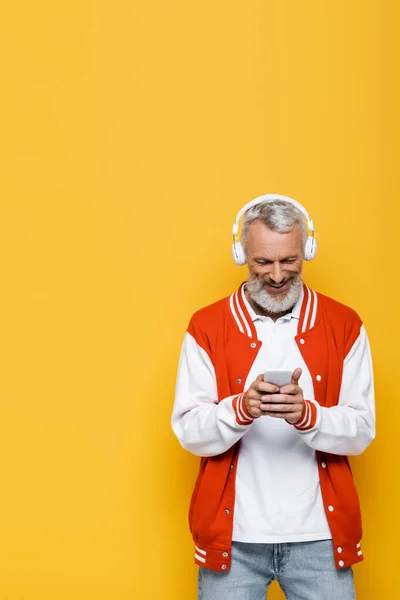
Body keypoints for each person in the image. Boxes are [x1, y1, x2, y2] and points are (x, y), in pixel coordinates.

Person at [171, 194, 375, 600]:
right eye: (263, 263)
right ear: (241, 255)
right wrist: (240, 409)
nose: (278, 275)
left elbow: (362, 431)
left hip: (320, 538)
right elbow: (189, 431)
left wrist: (308, 415)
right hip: (234, 541)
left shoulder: (343, 324)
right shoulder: (207, 326)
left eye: (289, 261)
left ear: (306, 251)